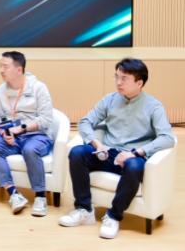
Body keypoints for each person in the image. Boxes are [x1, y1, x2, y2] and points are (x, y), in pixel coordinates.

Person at [59, 58, 175, 239]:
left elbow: (167, 138)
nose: (118, 82)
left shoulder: (154, 106)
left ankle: (113, 216)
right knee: (77, 153)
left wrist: (135, 153)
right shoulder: (110, 99)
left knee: (135, 166)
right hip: (108, 152)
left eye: (124, 78)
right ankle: (84, 210)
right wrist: (96, 143)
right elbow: (85, 122)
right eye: (117, 77)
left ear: (139, 83)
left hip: (132, 156)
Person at [0, 51, 55, 216]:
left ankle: (40, 197)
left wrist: (22, 128)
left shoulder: (38, 88)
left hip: (37, 135)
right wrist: (4, 132)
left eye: (5, 67)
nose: (1, 70)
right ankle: (14, 194)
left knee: (30, 150)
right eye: (0, 66)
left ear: (19, 69)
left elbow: (46, 119)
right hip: (12, 136)